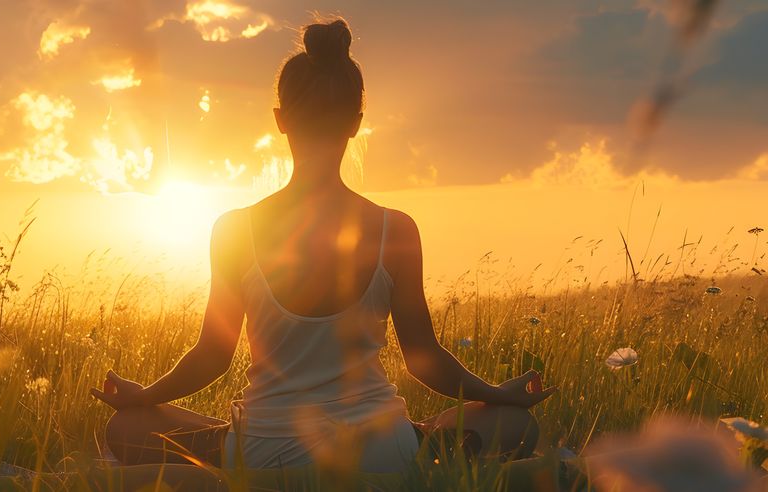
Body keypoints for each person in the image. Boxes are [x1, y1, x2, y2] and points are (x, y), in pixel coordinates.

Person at [91, 17, 554, 476]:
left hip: (262, 451)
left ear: (280, 121)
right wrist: (499, 395)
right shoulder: (396, 230)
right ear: (355, 125)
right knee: (515, 425)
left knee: (127, 428)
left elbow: (211, 357)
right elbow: (424, 359)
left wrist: (143, 397)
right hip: (381, 451)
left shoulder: (234, 230)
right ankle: (428, 446)